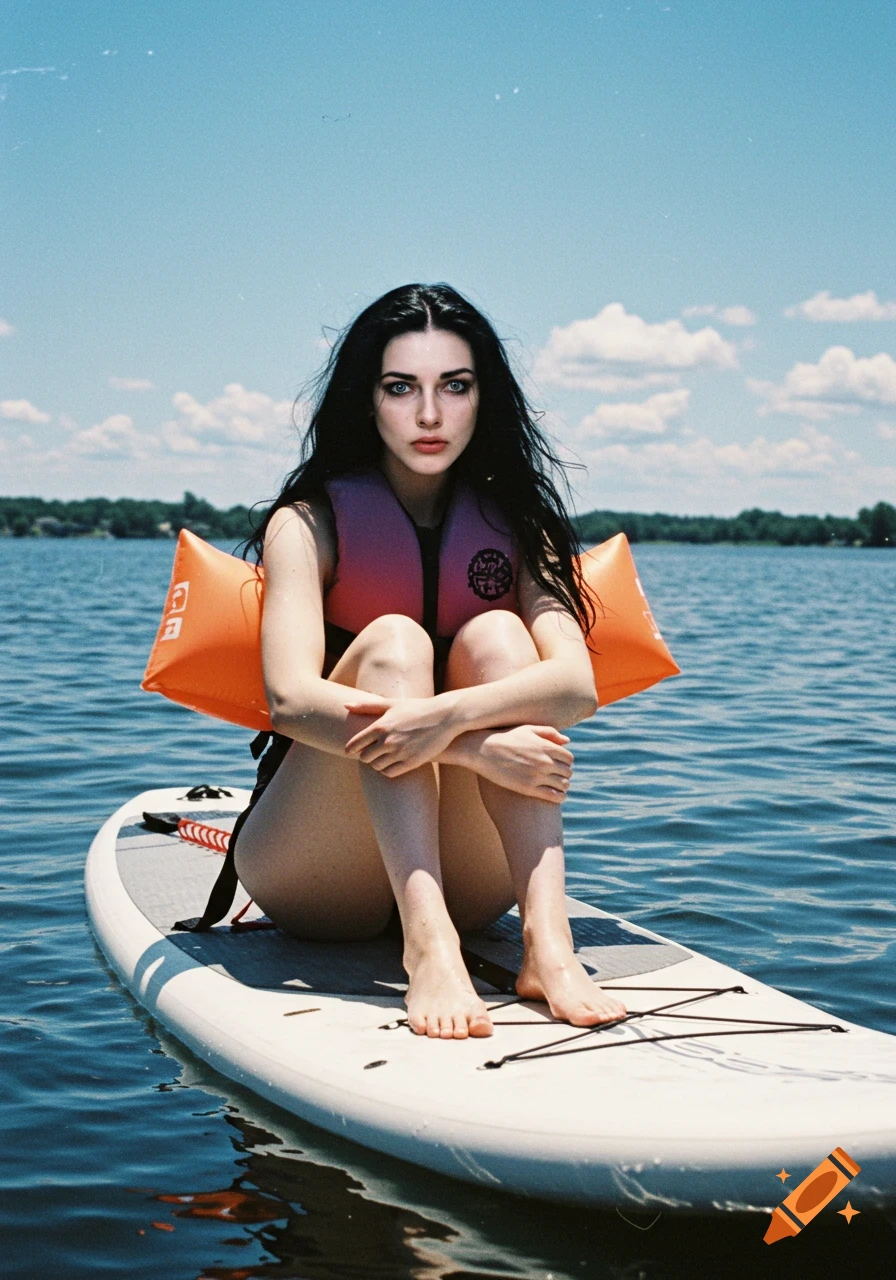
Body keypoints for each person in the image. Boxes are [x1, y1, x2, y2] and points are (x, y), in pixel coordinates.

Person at [234, 283, 627, 1040]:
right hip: (315, 877)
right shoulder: (308, 522)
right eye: (400, 388)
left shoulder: (519, 529)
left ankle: (550, 945)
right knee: (394, 643)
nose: (428, 415)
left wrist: (446, 719)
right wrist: (477, 746)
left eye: (455, 386)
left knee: (503, 642)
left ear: (484, 398)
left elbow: (575, 686)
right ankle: (427, 944)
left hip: (475, 883)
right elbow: (287, 699)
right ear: (367, 399)